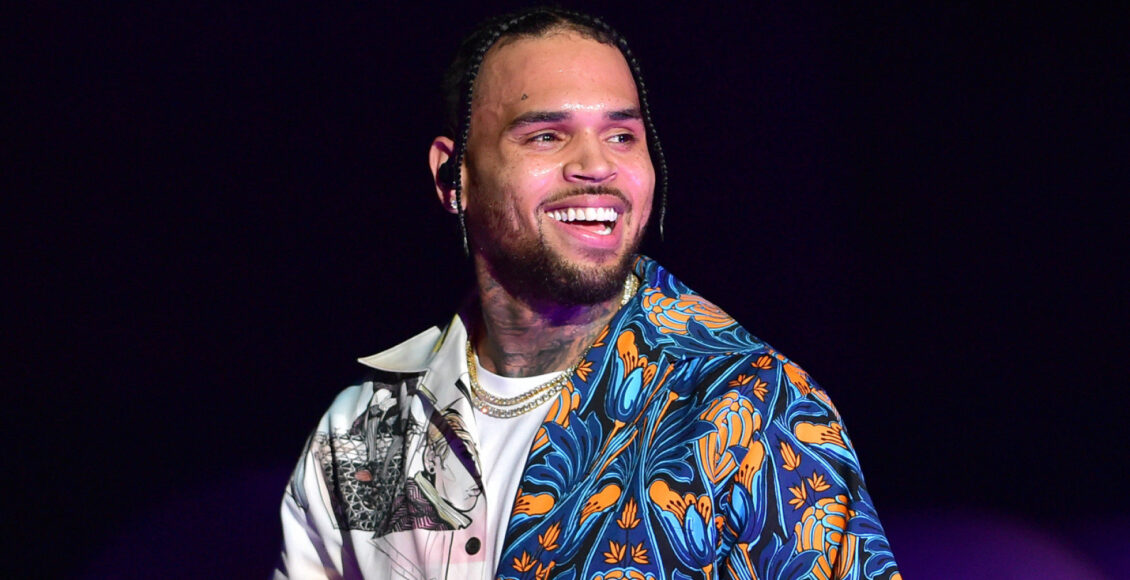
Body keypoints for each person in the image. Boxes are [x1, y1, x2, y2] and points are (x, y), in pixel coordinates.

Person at [276, 7, 899, 580]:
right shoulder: (362, 434)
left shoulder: (751, 409)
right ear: (453, 177)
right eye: (547, 136)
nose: (597, 166)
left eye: (622, 136)